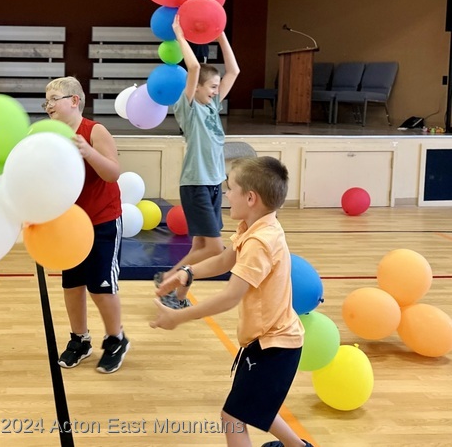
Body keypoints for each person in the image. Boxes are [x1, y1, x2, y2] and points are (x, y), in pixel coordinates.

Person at [150, 156, 313, 447]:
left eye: (230, 188)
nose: (225, 194)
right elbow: (226, 259)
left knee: (233, 416)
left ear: (250, 198)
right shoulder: (255, 227)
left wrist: (178, 318)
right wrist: (188, 272)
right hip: (268, 343)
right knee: (257, 405)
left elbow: (229, 297)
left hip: (274, 347)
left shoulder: (259, 243)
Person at [43, 76, 130, 373]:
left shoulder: (95, 131)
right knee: (72, 284)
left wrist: (89, 152)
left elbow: (113, 173)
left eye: (54, 98)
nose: (48, 104)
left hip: (103, 220)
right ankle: (80, 339)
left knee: (101, 287)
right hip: (70, 224)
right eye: (46, 100)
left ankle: (115, 338)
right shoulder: (51, 137)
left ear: (74, 101)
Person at [154, 15, 240, 309]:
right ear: (198, 88)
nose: (217, 91)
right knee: (215, 248)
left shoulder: (212, 106)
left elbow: (235, 70)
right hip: (196, 184)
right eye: (212, 87)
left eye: (217, 87)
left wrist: (220, 36)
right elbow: (192, 67)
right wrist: (180, 33)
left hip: (213, 183)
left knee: (200, 246)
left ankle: (176, 295)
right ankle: (168, 279)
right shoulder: (188, 108)